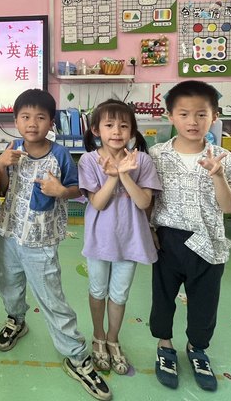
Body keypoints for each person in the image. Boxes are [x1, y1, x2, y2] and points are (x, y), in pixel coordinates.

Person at [0, 89, 111, 401]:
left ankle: (76, 356)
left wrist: (61, 190)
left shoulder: (59, 154)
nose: (32, 123)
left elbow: (77, 189)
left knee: (52, 298)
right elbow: (2, 189)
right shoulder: (11, 150)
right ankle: (16, 320)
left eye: (40, 117)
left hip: (40, 240)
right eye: (25, 117)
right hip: (9, 233)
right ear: (16, 121)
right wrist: (0, 166)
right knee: (8, 285)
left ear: (51, 123)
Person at [148, 80, 231, 391]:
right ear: (170, 116)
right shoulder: (156, 155)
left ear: (214, 116)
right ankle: (165, 346)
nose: (193, 121)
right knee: (162, 298)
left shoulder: (225, 158)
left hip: (209, 242)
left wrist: (218, 175)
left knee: (204, 302)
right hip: (167, 240)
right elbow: (148, 199)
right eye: (184, 114)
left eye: (201, 114)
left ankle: (197, 348)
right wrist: (149, 230)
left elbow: (229, 207)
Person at [78, 99, 162, 376]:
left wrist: (124, 174)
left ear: (132, 132)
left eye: (124, 126)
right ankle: (98, 336)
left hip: (131, 240)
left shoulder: (143, 161)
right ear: (96, 130)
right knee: (97, 291)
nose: (117, 131)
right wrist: (113, 176)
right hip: (99, 240)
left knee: (119, 294)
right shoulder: (89, 161)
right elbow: (98, 203)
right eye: (109, 125)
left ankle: (113, 339)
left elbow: (143, 202)